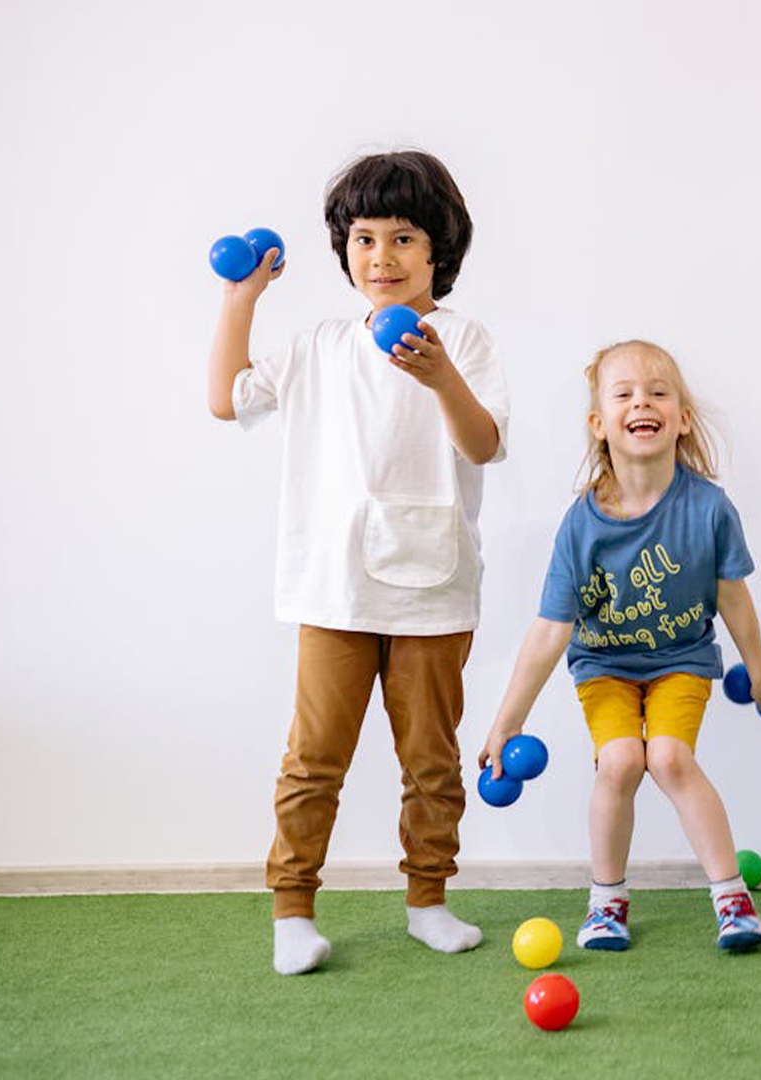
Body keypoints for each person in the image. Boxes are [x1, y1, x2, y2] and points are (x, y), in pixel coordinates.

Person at [207, 150, 507, 975]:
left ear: (439, 249)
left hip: (435, 588)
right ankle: (292, 913)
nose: (382, 257)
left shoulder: (465, 341)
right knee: (314, 758)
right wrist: (243, 297)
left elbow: (484, 443)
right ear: (343, 249)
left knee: (432, 761)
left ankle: (428, 901)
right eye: (365, 238)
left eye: (404, 238)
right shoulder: (317, 346)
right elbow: (225, 396)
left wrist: (440, 375)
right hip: (333, 589)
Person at [482, 340, 761, 952]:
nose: (641, 402)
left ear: (681, 419)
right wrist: (504, 722)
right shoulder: (583, 522)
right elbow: (551, 630)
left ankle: (733, 900)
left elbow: (734, 599)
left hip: (682, 660)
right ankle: (606, 905)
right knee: (621, 761)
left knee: (670, 759)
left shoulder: (708, 508)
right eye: (623, 394)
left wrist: (760, 674)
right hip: (605, 666)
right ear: (600, 424)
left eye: (658, 392)